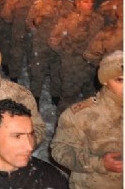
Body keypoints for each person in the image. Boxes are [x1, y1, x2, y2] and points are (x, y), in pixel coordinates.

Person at [51, 50, 123, 189]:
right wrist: (99, 163)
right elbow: (59, 150)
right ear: (105, 81)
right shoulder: (82, 115)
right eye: (120, 80)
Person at [49, 0, 104, 112]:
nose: (90, 5)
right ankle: (63, 127)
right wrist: (67, 54)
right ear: (78, 3)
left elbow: (101, 40)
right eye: (86, 2)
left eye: (91, 2)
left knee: (90, 100)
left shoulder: (98, 20)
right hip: (72, 68)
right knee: (68, 100)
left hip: (91, 67)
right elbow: (54, 40)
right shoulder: (67, 20)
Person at [25, 0, 75, 106]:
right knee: (37, 74)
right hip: (42, 45)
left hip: (59, 46)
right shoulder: (38, 5)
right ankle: (35, 98)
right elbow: (28, 24)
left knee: (57, 73)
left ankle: (55, 97)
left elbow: (74, 23)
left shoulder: (68, 5)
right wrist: (35, 22)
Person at [0, 0, 40, 81]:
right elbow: (6, 14)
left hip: (33, 31)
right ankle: (14, 76)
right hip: (19, 31)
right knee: (16, 54)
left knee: (33, 55)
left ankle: (33, 77)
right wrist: (15, 23)